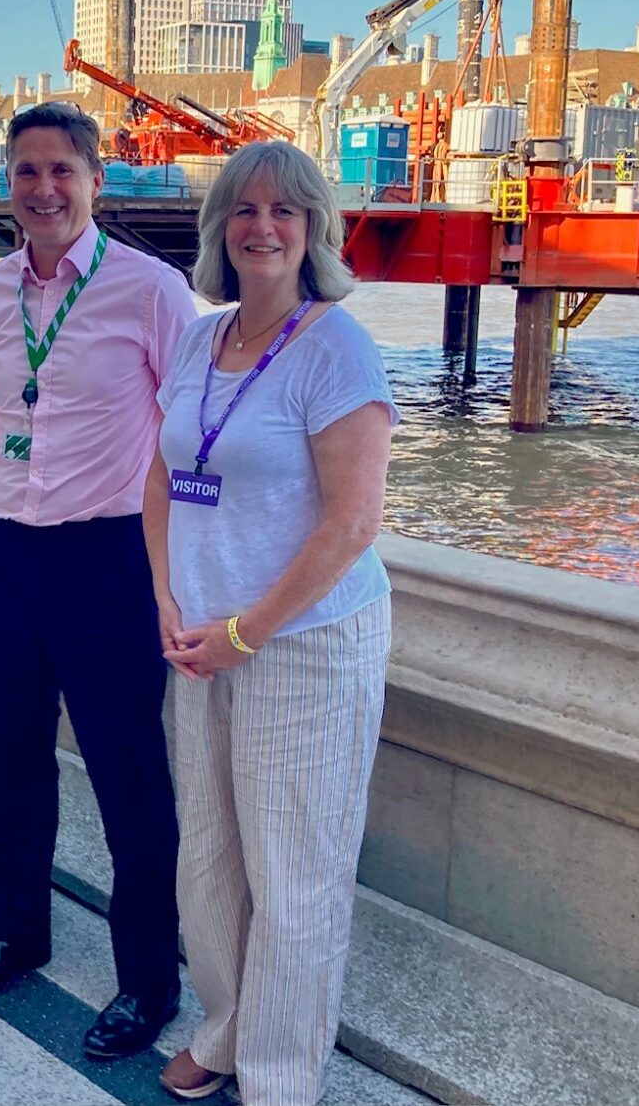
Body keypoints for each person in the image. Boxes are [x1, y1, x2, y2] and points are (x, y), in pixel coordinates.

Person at [144, 141, 398, 1105]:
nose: (261, 228)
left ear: (312, 230)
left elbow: (351, 524)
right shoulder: (196, 340)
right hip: (198, 637)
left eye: (284, 212)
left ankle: (282, 1074)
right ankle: (224, 1028)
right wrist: (168, 595)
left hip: (301, 646)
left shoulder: (337, 347)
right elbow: (164, 475)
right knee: (207, 853)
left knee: (295, 870)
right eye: (242, 211)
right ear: (219, 231)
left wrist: (245, 631)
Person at [0, 102, 194, 1060]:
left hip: (110, 559)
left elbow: (188, 434)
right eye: (25, 172)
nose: (43, 190)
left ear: (95, 181)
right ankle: (17, 933)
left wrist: (180, 576)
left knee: (129, 778)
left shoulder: (151, 290)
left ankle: (145, 982)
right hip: (9, 555)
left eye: (61, 172)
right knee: (12, 760)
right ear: (6, 186)